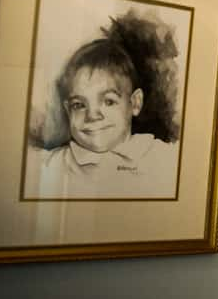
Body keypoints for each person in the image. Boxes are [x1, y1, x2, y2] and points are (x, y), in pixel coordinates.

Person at [25, 39, 178, 198]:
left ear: (135, 103)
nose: (92, 116)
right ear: (68, 110)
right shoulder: (51, 163)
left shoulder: (164, 157)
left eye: (108, 101)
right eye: (79, 105)